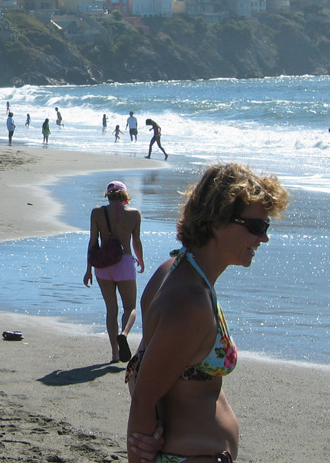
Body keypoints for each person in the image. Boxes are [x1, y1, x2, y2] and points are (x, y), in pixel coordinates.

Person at [125, 163, 289, 463]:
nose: (263, 238)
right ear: (216, 222)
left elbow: (139, 369)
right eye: (256, 227)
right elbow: (143, 400)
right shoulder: (189, 302)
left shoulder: (175, 271)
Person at [83, 181, 144, 364]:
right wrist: (141, 261)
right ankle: (124, 334)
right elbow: (136, 242)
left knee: (111, 310)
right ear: (125, 195)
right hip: (124, 263)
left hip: (102, 266)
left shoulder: (97, 212)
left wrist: (88, 269)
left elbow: (93, 242)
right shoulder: (134, 214)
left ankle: (115, 355)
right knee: (130, 308)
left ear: (108, 195)